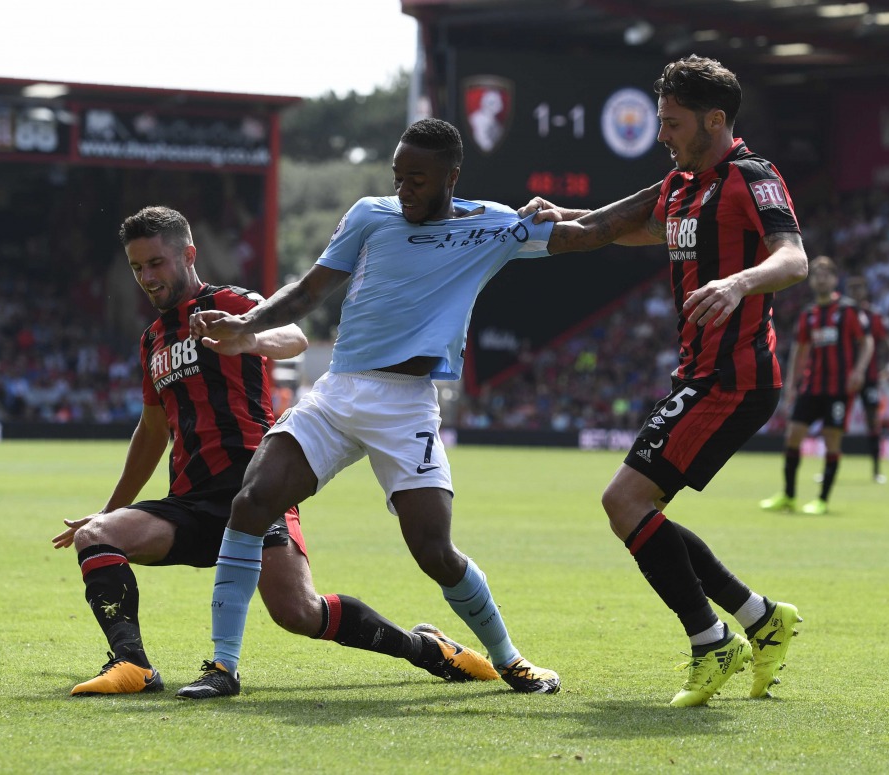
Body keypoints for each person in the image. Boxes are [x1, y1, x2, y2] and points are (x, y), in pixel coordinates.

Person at [184, 117, 636, 699]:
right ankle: (222, 667)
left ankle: (510, 660)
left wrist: (673, 188)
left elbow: (595, 231)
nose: (405, 190)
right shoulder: (370, 215)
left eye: (418, 179)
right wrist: (247, 323)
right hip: (340, 391)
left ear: (452, 177)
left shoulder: (495, 225)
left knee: (433, 550)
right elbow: (310, 290)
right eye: (399, 177)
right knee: (252, 499)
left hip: (407, 408)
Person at [51, 205, 499, 696]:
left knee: (299, 613)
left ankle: (427, 649)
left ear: (188, 255)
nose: (146, 277)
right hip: (190, 505)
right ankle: (133, 666)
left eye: (156, 263)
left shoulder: (229, 301)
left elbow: (295, 337)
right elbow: (152, 429)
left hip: (255, 488)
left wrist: (248, 337)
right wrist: (111, 508)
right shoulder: (152, 339)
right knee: (97, 535)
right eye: (137, 268)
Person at [519, 55, 808, 706]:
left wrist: (739, 280)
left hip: (735, 376)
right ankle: (760, 618)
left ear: (714, 120)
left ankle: (712, 642)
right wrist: (529, 221)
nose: (662, 134)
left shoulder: (751, 177)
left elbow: (794, 257)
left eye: (673, 123)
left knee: (623, 502)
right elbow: (600, 228)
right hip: (701, 373)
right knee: (640, 509)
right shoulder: (679, 184)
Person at [761, 256, 873, 515]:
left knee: (831, 441)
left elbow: (867, 342)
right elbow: (800, 351)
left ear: (835, 280)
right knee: (792, 437)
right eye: (817, 274)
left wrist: (859, 370)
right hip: (811, 387)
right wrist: (790, 385)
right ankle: (788, 495)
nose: (821, 278)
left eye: (826, 274)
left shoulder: (848, 311)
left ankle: (822, 500)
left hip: (838, 389)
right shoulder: (809, 315)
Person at [845, 275, 889, 483]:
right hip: (845, 377)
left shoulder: (874, 316)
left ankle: (876, 471)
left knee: (873, 421)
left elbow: (888, 343)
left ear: (865, 291)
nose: (856, 293)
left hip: (870, 377)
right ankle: (829, 468)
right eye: (853, 289)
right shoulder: (842, 313)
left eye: (859, 289)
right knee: (835, 422)